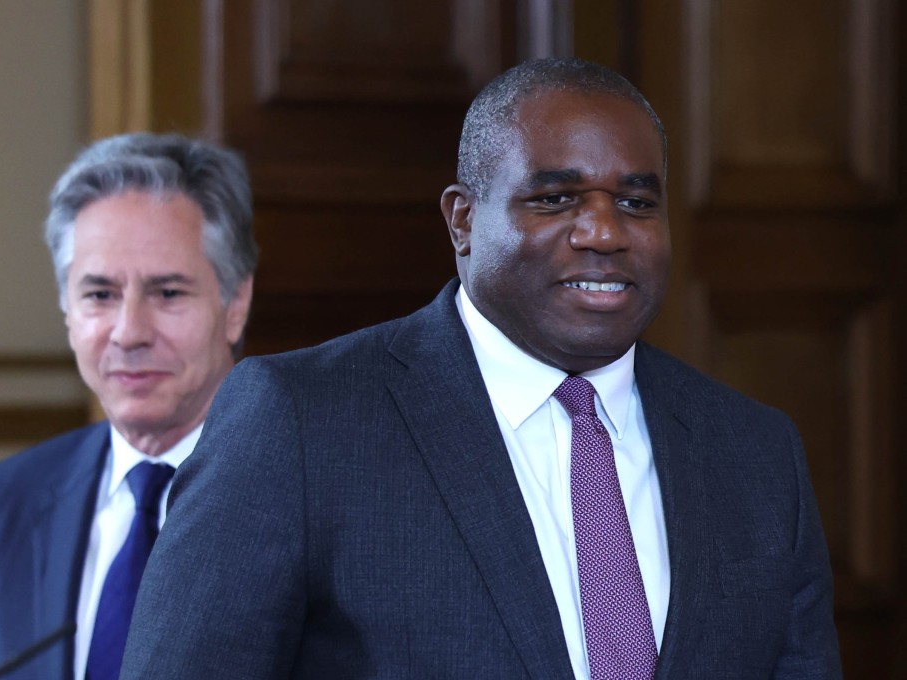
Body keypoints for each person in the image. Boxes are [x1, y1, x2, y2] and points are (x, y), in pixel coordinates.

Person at [121, 58, 842, 679]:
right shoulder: (300, 421)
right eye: (555, 198)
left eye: (636, 201)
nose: (603, 231)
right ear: (463, 221)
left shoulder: (755, 452)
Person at [0, 132, 257, 680]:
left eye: (168, 293)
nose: (129, 332)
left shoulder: (312, 500)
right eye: (99, 295)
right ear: (66, 310)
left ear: (235, 304)